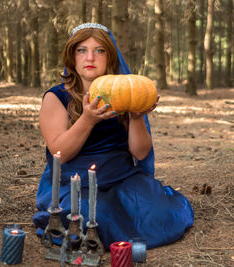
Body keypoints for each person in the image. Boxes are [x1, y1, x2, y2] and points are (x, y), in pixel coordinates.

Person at [32, 22, 194, 250]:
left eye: (99, 50)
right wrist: (87, 119)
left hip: (124, 178)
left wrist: (136, 117)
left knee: (159, 213)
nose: (90, 57)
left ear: (110, 57)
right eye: (82, 50)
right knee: (93, 217)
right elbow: (60, 153)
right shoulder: (56, 97)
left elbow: (139, 152)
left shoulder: (123, 94)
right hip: (76, 183)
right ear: (72, 57)